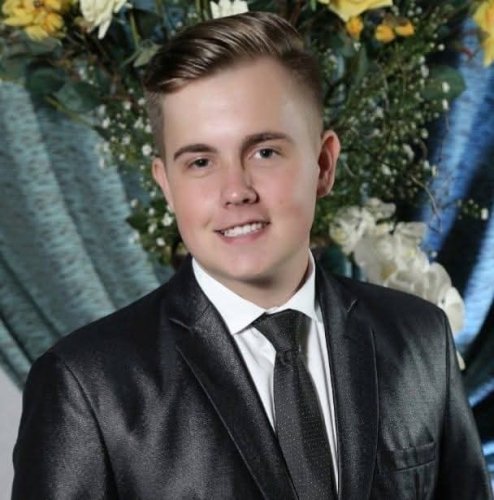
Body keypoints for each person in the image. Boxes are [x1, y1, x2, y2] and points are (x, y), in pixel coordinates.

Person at [12, 11, 492, 500]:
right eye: (201, 161)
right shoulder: (86, 384)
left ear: (324, 164)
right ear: (166, 185)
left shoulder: (419, 338)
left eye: (264, 152)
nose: (235, 190)